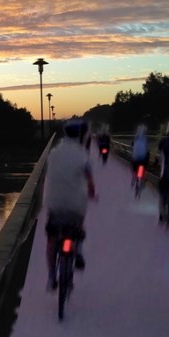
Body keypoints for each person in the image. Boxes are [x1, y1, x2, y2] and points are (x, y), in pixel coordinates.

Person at [44, 118, 96, 290]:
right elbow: (89, 181)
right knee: (79, 223)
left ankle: (52, 276)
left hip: (54, 202)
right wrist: (92, 193)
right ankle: (78, 250)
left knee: (52, 238)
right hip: (75, 205)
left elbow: (49, 177)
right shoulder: (82, 155)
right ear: (80, 135)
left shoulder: (53, 154)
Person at [130, 124, 149, 188]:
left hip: (135, 158)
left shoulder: (135, 138)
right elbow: (146, 148)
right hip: (143, 159)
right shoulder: (145, 138)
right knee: (144, 166)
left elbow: (132, 146)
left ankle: (133, 178)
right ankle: (143, 180)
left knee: (133, 167)